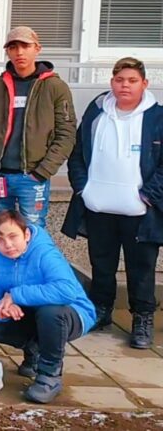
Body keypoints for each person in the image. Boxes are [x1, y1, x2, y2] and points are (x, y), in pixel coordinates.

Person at [63, 57, 163, 348]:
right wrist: (83, 189)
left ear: (144, 83)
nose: (125, 86)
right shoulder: (97, 112)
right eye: (119, 80)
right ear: (111, 82)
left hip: (140, 211)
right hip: (99, 207)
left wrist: (148, 195)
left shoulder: (157, 118)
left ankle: (142, 318)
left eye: (132, 80)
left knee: (141, 269)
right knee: (102, 265)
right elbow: (78, 154)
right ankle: (101, 310)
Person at [0, 210, 95, 404]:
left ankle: (50, 376)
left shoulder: (45, 253)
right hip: (33, 315)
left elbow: (66, 291)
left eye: (13, 236)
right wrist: (0, 309)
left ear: (27, 234)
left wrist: (15, 295)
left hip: (71, 314)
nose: (8, 245)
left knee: (50, 312)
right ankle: (34, 351)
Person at [0, 26, 76, 228]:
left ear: (37, 49)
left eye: (25, 46)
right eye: (13, 47)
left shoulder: (55, 87)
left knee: (33, 231)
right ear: (7, 51)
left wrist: (43, 171)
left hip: (33, 176)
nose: (19, 52)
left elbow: (66, 134)